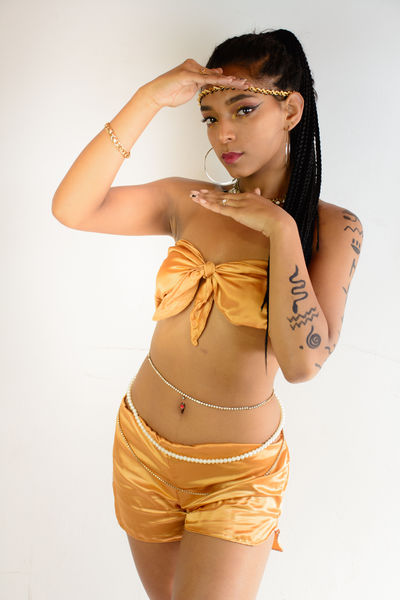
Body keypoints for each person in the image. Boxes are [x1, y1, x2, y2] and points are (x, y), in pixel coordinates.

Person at [52, 27, 363, 600]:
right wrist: (149, 98)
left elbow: (303, 365)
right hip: (141, 446)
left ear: (291, 110)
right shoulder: (189, 200)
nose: (224, 134)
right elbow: (72, 208)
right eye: (210, 117)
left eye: (243, 109)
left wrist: (280, 231)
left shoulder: (331, 228)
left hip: (237, 476)